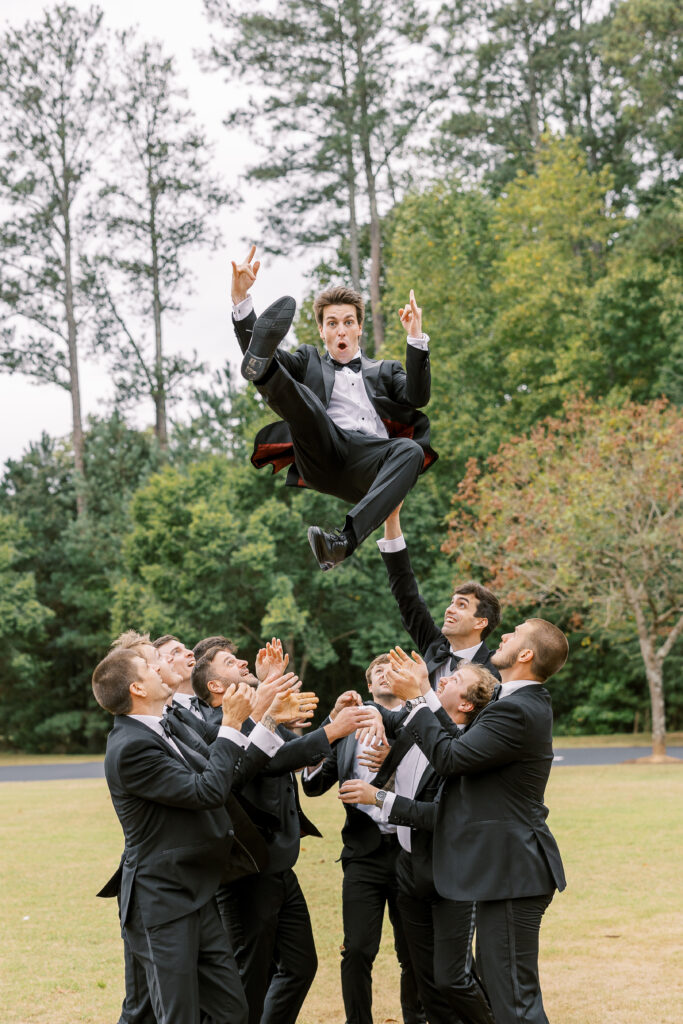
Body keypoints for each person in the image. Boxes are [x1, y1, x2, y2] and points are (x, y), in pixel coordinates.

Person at [92, 646, 307, 1024]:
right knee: (178, 1015)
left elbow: (225, 770)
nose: (159, 667)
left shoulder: (167, 724)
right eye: (148, 665)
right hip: (162, 902)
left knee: (232, 1010)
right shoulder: (130, 748)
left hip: (197, 891)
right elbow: (207, 792)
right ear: (137, 689)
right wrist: (231, 723)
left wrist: (263, 721)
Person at [385, 618, 569, 1024]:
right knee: (506, 999)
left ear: (525, 655)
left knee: (515, 1005)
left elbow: (450, 759)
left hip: (512, 872)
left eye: (513, 634)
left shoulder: (518, 710)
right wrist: (426, 696)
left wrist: (418, 698)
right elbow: (456, 743)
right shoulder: (511, 702)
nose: (502, 636)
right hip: (502, 872)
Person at [194, 640, 378, 1024]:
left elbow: (291, 749)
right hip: (248, 868)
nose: (243, 660)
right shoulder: (213, 727)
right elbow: (268, 762)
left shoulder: (257, 715)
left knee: (299, 965)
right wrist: (331, 731)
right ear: (215, 686)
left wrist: (330, 721)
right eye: (230, 661)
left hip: (279, 862)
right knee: (250, 978)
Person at [230, 246, 437, 570]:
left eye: (348, 322)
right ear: (322, 331)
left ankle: (343, 542)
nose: (340, 330)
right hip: (322, 450)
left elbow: (418, 397)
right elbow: (263, 348)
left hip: (369, 465)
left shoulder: (387, 370)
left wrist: (415, 336)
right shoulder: (308, 360)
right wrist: (242, 303)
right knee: (304, 400)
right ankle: (264, 372)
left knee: (410, 450)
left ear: (359, 328)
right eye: (332, 323)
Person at [340, 664, 497, 1024]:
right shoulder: (418, 726)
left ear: (467, 705)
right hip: (409, 870)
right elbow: (386, 711)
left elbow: (442, 815)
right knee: (427, 980)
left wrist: (377, 797)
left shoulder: (466, 747)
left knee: (453, 979)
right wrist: (369, 713)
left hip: (451, 875)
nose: (444, 678)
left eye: (455, 680)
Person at [301, 655, 425, 1024]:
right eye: (377, 673)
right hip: (363, 854)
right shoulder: (348, 729)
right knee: (355, 950)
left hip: (413, 853)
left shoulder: (423, 723)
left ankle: (415, 1019)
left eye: (393, 670)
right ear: (369, 686)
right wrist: (330, 724)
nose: (385, 674)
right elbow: (312, 785)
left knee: (413, 952)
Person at [378, 505, 501, 687]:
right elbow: (406, 594)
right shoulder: (434, 646)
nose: (450, 610)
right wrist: (392, 518)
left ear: (480, 622)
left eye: (462, 605)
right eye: (452, 603)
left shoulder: (497, 669)